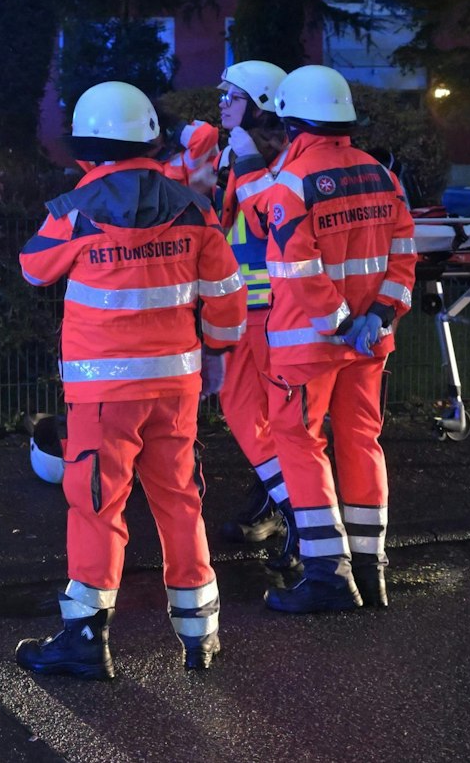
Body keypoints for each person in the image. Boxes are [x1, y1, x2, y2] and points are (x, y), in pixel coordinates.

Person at [14, 82, 248, 679]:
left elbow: (33, 268)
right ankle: (200, 636)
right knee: (180, 500)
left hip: (103, 394)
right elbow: (227, 295)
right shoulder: (194, 207)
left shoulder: (75, 210)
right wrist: (219, 352)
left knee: (97, 505)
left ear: (87, 148)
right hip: (176, 387)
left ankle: (85, 640)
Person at [248, 65, 418, 612]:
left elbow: (297, 271)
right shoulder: (382, 176)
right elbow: (403, 256)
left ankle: (327, 577)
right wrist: (379, 316)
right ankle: (371, 571)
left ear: (292, 123)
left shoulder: (292, 184)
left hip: (310, 346)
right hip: (369, 342)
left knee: (301, 444)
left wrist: (342, 323)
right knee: (362, 441)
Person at [204, 61, 296, 565]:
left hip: (274, 312)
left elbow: (269, 221)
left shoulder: (280, 159)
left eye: (232, 96)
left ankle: (301, 517)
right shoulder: (235, 152)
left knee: (271, 421)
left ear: (260, 104)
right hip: (243, 310)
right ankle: (288, 508)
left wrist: (247, 163)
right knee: (251, 418)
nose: (221, 103)